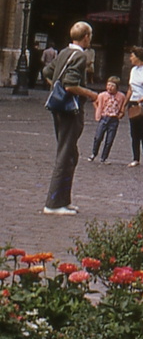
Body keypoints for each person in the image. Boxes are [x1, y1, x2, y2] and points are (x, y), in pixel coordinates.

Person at [41, 23, 96, 215]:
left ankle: (64, 200)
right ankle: (53, 203)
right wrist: (91, 94)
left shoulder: (63, 52)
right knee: (66, 153)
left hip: (58, 109)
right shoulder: (80, 56)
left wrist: (53, 89)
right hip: (71, 110)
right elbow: (70, 85)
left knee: (71, 154)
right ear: (86, 37)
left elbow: (47, 72)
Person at [90, 76, 126, 163]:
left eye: (112, 86)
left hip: (114, 119)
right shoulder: (102, 95)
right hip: (104, 117)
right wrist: (98, 110)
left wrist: (121, 113)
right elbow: (95, 102)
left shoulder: (121, 96)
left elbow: (123, 106)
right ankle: (94, 153)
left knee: (109, 140)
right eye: (108, 85)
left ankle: (104, 157)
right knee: (98, 137)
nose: (110, 87)